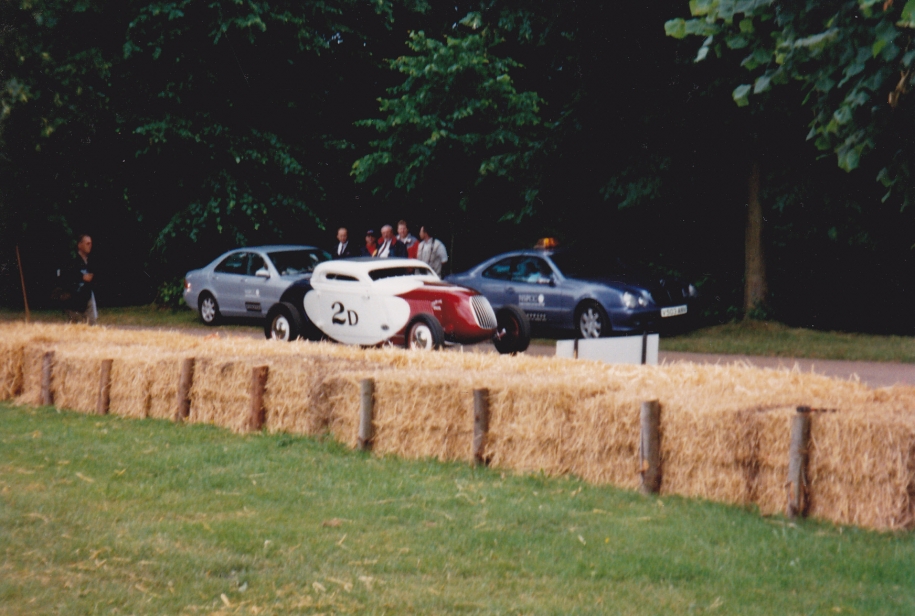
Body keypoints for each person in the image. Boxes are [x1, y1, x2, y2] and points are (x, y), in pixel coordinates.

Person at [65, 233, 98, 325]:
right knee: (76, 327)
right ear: (79, 245)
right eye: (87, 243)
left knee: (92, 326)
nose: (90, 245)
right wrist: (81, 277)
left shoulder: (91, 261)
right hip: (73, 300)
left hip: (87, 298)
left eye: (90, 243)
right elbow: (66, 276)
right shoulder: (72, 260)